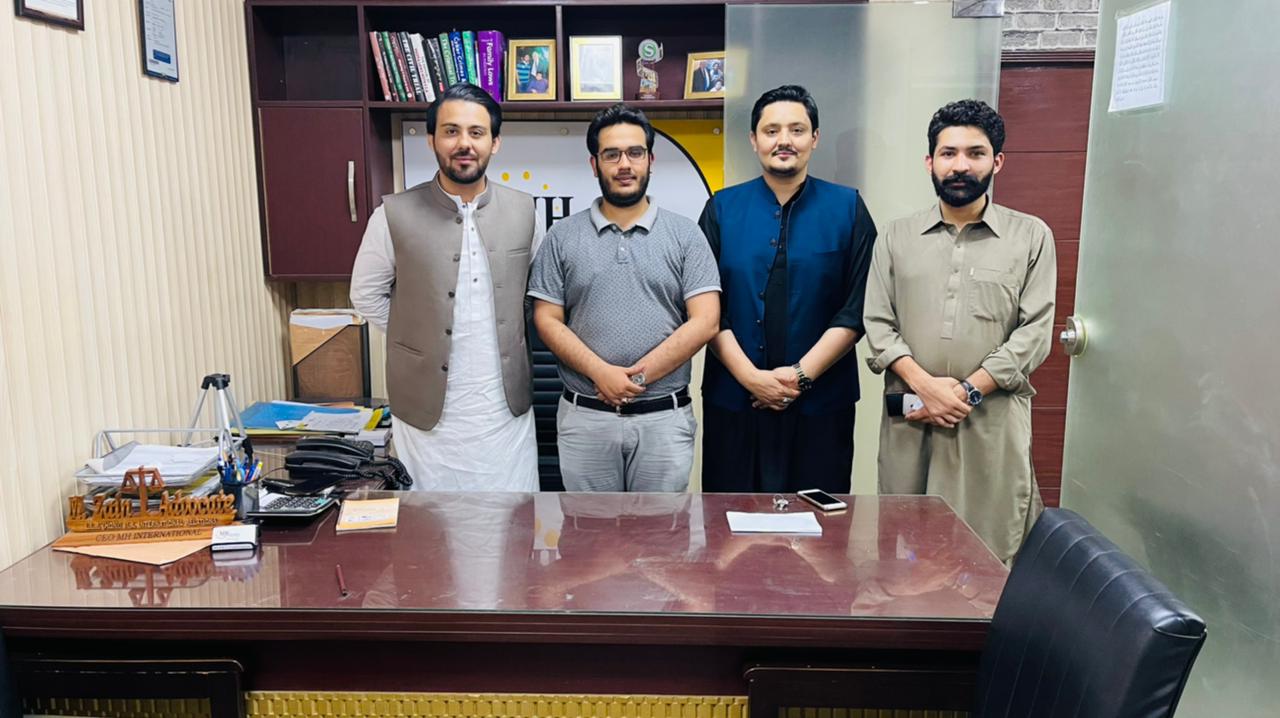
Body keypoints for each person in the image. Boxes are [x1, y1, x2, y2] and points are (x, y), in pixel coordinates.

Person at [863, 99, 1057, 563]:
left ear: (997, 162)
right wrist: (926, 387)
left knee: (986, 552)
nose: (960, 166)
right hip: (911, 418)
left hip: (989, 421)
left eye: (975, 153)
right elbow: (878, 323)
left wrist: (967, 392)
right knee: (904, 547)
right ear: (929, 161)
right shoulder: (896, 237)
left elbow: (1035, 332)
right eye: (948, 153)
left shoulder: (1031, 236)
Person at [350, 84, 540, 492]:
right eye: (451, 131)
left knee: (511, 517)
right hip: (425, 412)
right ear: (431, 139)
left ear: (495, 142)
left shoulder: (525, 210)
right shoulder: (392, 214)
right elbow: (365, 293)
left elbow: (533, 294)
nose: (464, 143)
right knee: (429, 521)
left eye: (476, 132)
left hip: (502, 409)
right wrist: (418, 338)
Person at [528, 104, 721, 492]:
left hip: (664, 421)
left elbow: (706, 321)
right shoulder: (561, 236)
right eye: (611, 154)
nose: (624, 165)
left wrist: (635, 378)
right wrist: (601, 373)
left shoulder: (686, 235)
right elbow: (546, 319)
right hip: (586, 419)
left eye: (635, 153)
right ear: (594, 164)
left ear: (651, 160)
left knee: (660, 530)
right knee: (588, 529)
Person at [699, 85, 877, 494]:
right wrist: (751, 378)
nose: (784, 140)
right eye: (771, 130)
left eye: (797, 130)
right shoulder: (721, 209)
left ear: (815, 138)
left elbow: (857, 308)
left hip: (821, 403)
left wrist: (799, 376)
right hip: (735, 399)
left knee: (820, 522)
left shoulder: (848, 208)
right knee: (730, 520)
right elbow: (706, 308)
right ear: (754, 139)